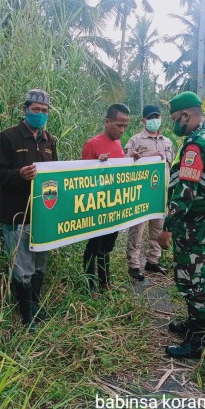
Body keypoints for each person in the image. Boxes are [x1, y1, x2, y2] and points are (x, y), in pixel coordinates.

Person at [158, 91, 205, 359]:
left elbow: (186, 192)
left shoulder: (195, 146)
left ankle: (197, 341)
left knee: (193, 279)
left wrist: (167, 226)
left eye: (176, 118)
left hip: (194, 222)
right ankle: (192, 324)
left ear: (186, 115)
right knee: (192, 274)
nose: (175, 124)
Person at [0, 88, 57, 330]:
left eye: (44, 111)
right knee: (22, 267)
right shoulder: (8, 137)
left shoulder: (50, 140)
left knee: (39, 263)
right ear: (25, 110)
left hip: (43, 214)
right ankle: (26, 315)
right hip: (17, 213)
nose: (40, 114)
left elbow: (57, 173)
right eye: (35, 109)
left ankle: (36, 307)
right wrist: (19, 174)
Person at [81, 103, 130, 298]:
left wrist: (132, 160)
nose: (122, 130)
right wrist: (96, 164)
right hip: (97, 206)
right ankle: (90, 285)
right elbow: (81, 179)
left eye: (125, 126)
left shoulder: (118, 144)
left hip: (114, 205)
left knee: (107, 246)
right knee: (93, 246)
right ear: (107, 121)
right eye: (119, 125)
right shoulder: (92, 144)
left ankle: (105, 281)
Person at [125, 104, 175, 281]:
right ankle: (134, 264)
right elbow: (123, 164)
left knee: (158, 228)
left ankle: (153, 261)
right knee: (137, 230)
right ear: (143, 120)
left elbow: (172, 165)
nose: (155, 120)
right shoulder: (135, 141)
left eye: (157, 117)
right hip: (141, 194)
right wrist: (134, 158)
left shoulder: (167, 142)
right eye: (151, 117)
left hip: (160, 194)